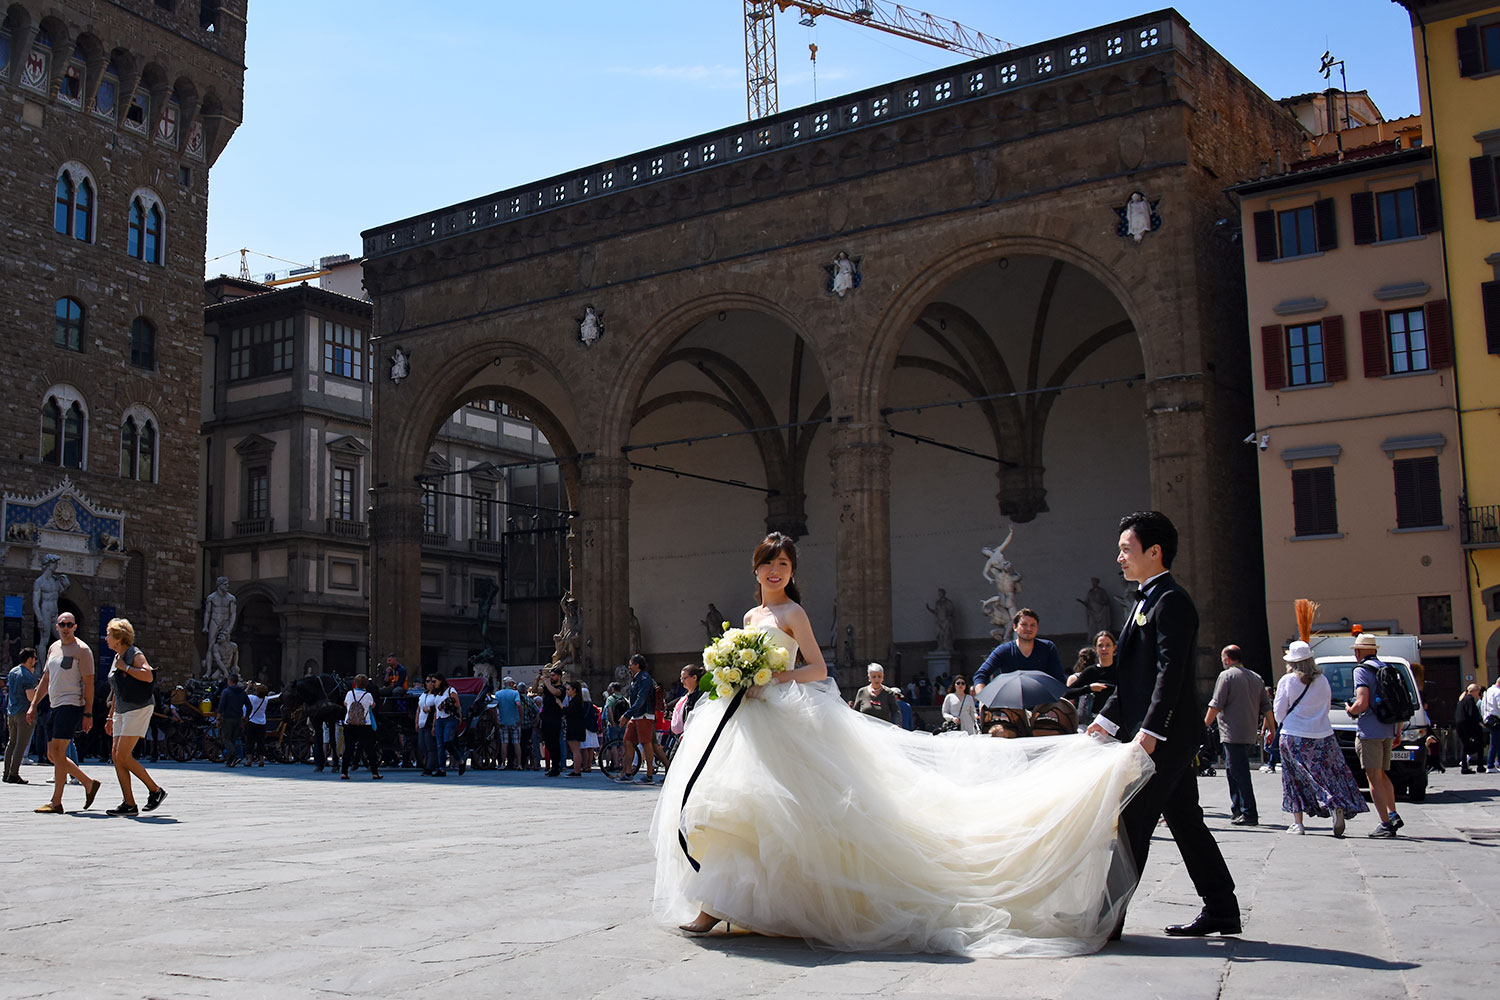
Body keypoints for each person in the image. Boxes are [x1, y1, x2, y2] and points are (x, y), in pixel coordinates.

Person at [654, 532, 1152, 956]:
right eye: (768, 564)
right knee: (736, 811)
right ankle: (721, 905)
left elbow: (818, 670)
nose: (775, 572)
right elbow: (745, 661)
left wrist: (774, 675)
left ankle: (749, 905)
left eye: (783, 565)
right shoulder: (747, 615)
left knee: (789, 813)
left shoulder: (794, 612)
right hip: (747, 718)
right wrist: (737, 675)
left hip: (785, 717)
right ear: (756, 567)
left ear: (791, 571)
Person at [1087, 510, 1240, 939]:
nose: (1119, 557)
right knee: (1186, 821)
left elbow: (1169, 673)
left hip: (1166, 736)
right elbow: (1134, 677)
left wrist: (1151, 731)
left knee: (1132, 820)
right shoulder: (1146, 599)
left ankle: (1105, 918)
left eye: (1126, 549)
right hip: (1159, 733)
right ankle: (1222, 908)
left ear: (1154, 552)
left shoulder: (1171, 600)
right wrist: (1104, 721)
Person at [1274, 641, 1367, 836]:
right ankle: (1335, 805)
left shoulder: (1287, 680)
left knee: (1293, 778)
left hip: (1294, 735)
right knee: (1328, 773)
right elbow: (1326, 708)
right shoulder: (1322, 680)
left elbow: (1279, 712)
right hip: (1323, 734)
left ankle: (1298, 823)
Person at [27, 612, 103, 813]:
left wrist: (88, 713)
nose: (66, 627)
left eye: (69, 624)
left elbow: (89, 684)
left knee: (58, 753)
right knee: (53, 754)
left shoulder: (82, 650)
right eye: (62, 624)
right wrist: (34, 704)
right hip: (54, 705)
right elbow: (45, 679)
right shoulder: (53, 648)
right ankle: (68, 795)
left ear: (75, 626)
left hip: (71, 704)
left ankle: (65, 795)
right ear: (57, 626)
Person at [100, 618, 167, 816]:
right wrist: (110, 717)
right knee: (116, 756)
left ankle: (155, 790)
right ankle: (129, 803)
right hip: (121, 709)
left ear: (119, 637)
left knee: (122, 755)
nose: (106, 638)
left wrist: (126, 667)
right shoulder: (117, 656)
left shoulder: (133, 654)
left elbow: (148, 676)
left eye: (109, 635)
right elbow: (116, 690)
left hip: (138, 708)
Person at [1204, 645, 1272, 827]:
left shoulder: (1226, 676)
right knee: (1233, 770)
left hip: (1231, 732)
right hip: (1248, 732)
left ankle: (1249, 812)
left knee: (1238, 772)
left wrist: (1204, 726)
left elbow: (1216, 704)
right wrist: (1272, 730)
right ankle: (1237, 809)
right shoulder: (1256, 678)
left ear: (1227, 659)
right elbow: (1267, 707)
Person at [1346, 634, 1404, 838]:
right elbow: (1398, 701)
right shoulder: (1387, 668)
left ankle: (1385, 824)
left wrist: (1351, 710)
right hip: (1388, 728)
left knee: (1372, 777)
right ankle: (1393, 812)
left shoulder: (1362, 671)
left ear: (1359, 651)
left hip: (1370, 730)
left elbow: (1361, 702)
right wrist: (1398, 731)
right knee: (1382, 774)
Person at [973, 609, 1067, 691]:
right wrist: (982, 698)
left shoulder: (1048, 648)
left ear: (1037, 628)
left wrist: (1054, 707)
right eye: (1024, 624)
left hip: (1042, 705)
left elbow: (1059, 679)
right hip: (1011, 705)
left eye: (1032, 625)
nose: (1028, 628)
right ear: (1015, 627)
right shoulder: (1004, 650)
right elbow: (981, 675)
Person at [618, 655, 659, 784]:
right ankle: (628, 772)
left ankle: (649, 774)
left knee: (646, 743)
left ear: (637, 665)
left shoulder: (645, 678)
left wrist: (627, 714)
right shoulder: (637, 678)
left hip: (644, 714)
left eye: (630, 664)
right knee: (628, 741)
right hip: (636, 715)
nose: (629, 667)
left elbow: (641, 699)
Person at [1066, 631, 1118, 725]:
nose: (1104, 649)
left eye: (1108, 645)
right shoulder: (1091, 671)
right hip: (1096, 720)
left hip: (1119, 719)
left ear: (1114, 648)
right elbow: (1066, 693)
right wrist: (1089, 688)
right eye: (1100, 645)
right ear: (1095, 648)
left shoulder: (1121, 669)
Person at [5, 648, 39, 784]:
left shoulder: (13, 671)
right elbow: (31, 697)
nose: (35, 661)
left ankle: (6, 773)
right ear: (30, 659)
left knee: (11, 742)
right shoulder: (28, 676)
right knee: (21, 744)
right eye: (35, 658)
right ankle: (14, 774)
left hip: (11, 711)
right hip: (24, 713)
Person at [340, 675, 382, 780]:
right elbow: (372, 705)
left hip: (349, 724)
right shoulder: (368, 695)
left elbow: (345, 704)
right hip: (365, 725)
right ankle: (375, 773)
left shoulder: (350, 693)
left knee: (348, 749)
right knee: (369, 749)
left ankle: (344, 772)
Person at [432, 673, 464, 777]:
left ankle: (460, 761)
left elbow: (457, 704)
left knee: (447, 742)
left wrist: (445, 703)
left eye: (434, 681)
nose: (433, 683)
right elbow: (436, 711)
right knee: (440, 745)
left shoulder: (451, 690)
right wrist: (434, 724)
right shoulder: (437, 693)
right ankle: (442, 769)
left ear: (440, 681)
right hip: (439, 720)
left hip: (450, 718)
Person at [562, 680, 596, 778]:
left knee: (576, 750)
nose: (567, 691)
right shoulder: (577, 700)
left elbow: (569, 712)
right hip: (576, 727)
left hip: (575, 727)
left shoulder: (576, 700)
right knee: (576, 750)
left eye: (568, 689)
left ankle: (577, 771)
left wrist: (561, 706)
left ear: (574, 690)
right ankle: (577, 770)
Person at [538, 666, 567, 778]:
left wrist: (545, 681)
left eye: (553, 675)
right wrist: (537, 681)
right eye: (550, 676)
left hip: (554, 719)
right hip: (545, 718)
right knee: (548, 743)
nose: (551, 677)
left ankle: (556, 767)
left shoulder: (562, 688)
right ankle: (553, 766)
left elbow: (555, 692)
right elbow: (536, 690)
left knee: (554, 743)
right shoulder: (547, 687)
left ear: (559, 676)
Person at [217, 674, 250, 767]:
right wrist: (247, 716)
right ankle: (230, 761)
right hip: (238, 718)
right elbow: (249, 705)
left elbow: (221, 705)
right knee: (233, 739)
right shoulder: (242, 693)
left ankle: (235, 756)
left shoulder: (226, 692)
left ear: (230, 681)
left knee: (226, 739)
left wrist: (218, 718)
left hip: (227, 718)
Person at [1455, 683, 1487, 773]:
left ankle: (1464, 766)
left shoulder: (1461, 699)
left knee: (1464, 745)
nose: (1478, 694)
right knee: (1480, 744)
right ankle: (1480, 766)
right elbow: (1472, 714)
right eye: (1477, 692)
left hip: (1460, 725)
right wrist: (1480, 723)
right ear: (1472, 691)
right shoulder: (1470, 699)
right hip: (1468, 725)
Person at [494, 676, 523, 770]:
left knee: (504, 743)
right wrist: (520, 718)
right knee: (516, 743)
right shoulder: (515, 693)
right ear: (510, 684)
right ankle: (519, 764)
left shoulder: (498, 694)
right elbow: (518, 705)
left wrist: (497, 720)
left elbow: (494, 707)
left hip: (503, 721)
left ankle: (502, 763)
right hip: (514, 721)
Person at [416, 675, 441, 776]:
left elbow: (437, 709)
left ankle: (429, 767)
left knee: (430, 746)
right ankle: (428, 764)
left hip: (430, 722)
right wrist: (416, 722)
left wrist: (434, 724)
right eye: (426, 681)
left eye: (429, 681)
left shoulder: (437, 695)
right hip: (422, 722)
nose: (427, 683)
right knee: (422, 745)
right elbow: (418, 708)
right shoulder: (423, 694)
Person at [245, 683, 273, 767]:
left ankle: (249, 760)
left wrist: (249, 687)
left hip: (252, 722)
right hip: (262, 722)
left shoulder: (252, 698)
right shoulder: (266, 699)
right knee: (261, 742)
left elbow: (244, 694)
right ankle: (261, 760)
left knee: (250, 741)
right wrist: (257, 687)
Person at [1482, 675, 1500, 772]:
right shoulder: (1498, 692)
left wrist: (1484, 717)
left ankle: (1495, 763)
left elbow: (1484, 705)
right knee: (1495, 742)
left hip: (1489, 718)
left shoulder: (1489, 690)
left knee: (1495, 742)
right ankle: (1491, 764)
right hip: (1497, 719)